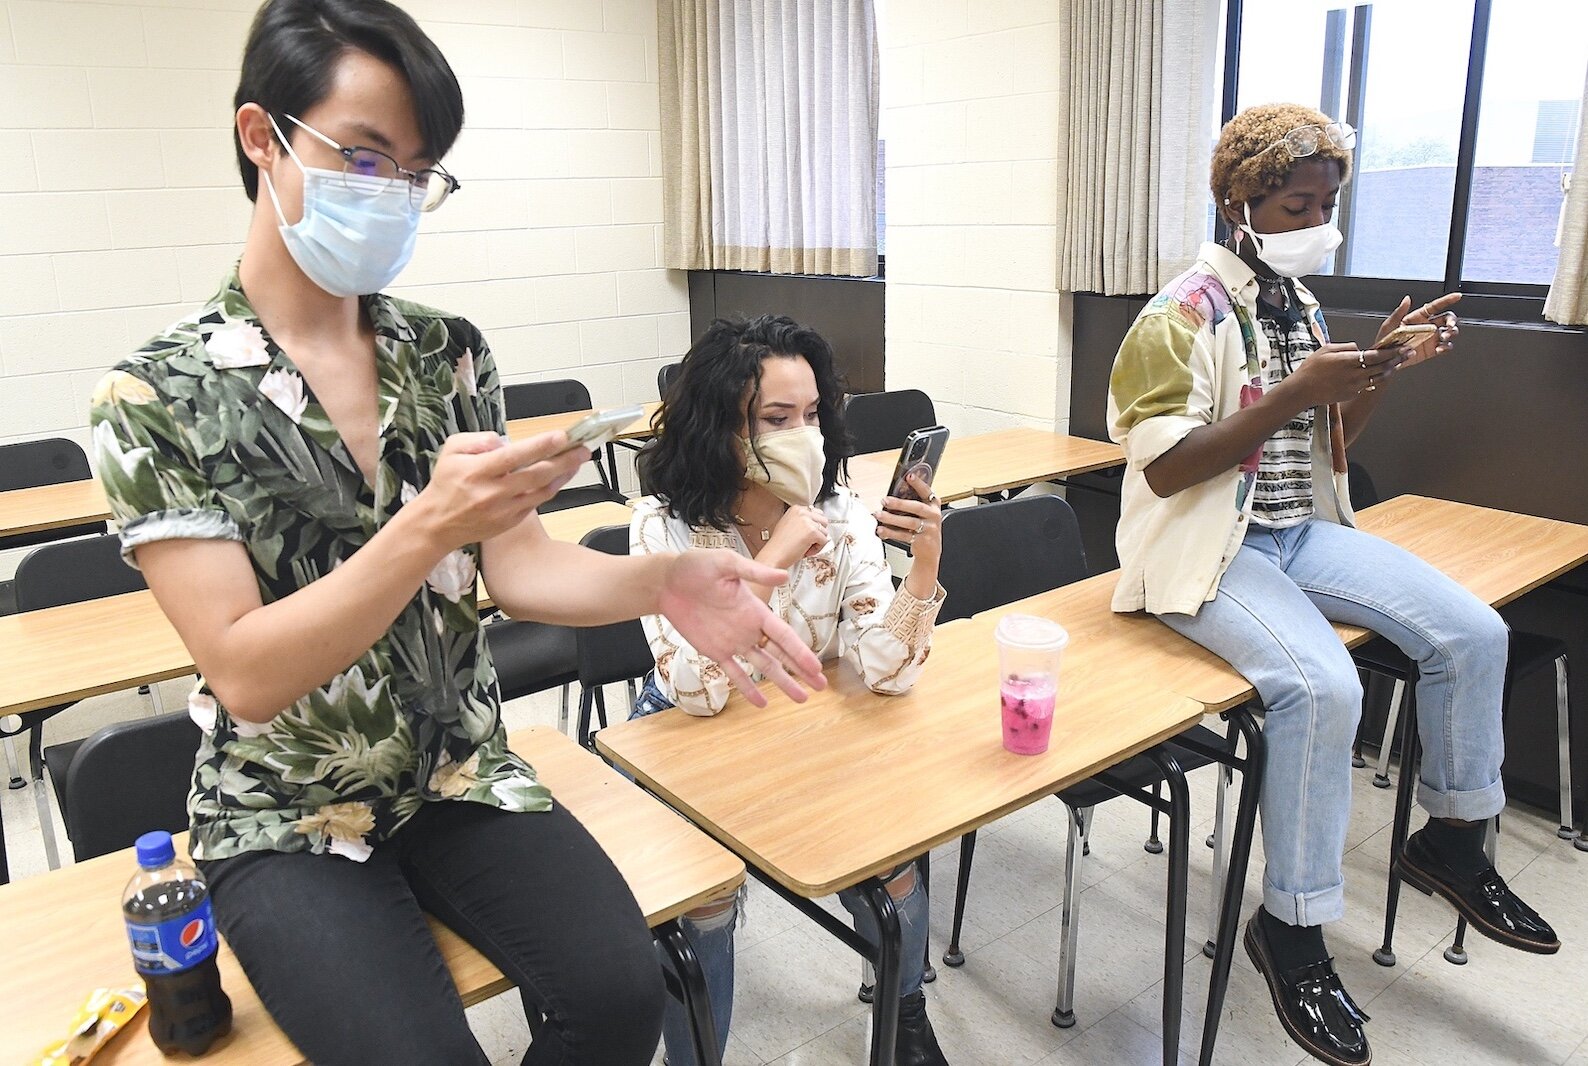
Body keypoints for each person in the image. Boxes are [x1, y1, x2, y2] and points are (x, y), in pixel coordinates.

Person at [87, 3, 823, 1064]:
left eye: (416, 171)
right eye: (366, 158)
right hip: (286, 811)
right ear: (264, 136)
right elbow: (245, 673)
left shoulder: (446, 352)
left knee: (622, 994)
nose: (391, 196)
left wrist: (659, 580)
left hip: (455, 769)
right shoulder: (152, 395)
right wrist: (426, 526)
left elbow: (518, 566)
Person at [1107, 102, 1559, 1066]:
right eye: (1299, 201)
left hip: (1296, 534)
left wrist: (1380, 370)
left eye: (1329, 199)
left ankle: (1452, 841)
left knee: (1475, 631)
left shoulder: (1294, 304)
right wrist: (1295, 393)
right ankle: (1294, 928)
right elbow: (1163, 469)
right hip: (1205, 551)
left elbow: (1331, 444)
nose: (1320, 217)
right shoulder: (1177, 315)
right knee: (1323, 687)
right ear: (1241, 199)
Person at [629, 315, 951, 1066]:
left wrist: (926, 565)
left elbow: (886, 671)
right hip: (687, 737)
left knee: (893, 871)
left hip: (802, 725)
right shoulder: (663, 525)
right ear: (722, 428)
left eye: (812, 415)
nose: (803, 433)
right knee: (702, 905)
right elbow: (696, 690)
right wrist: (771, 555)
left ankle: (906, 1017)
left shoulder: (839, 514)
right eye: (777, 419)